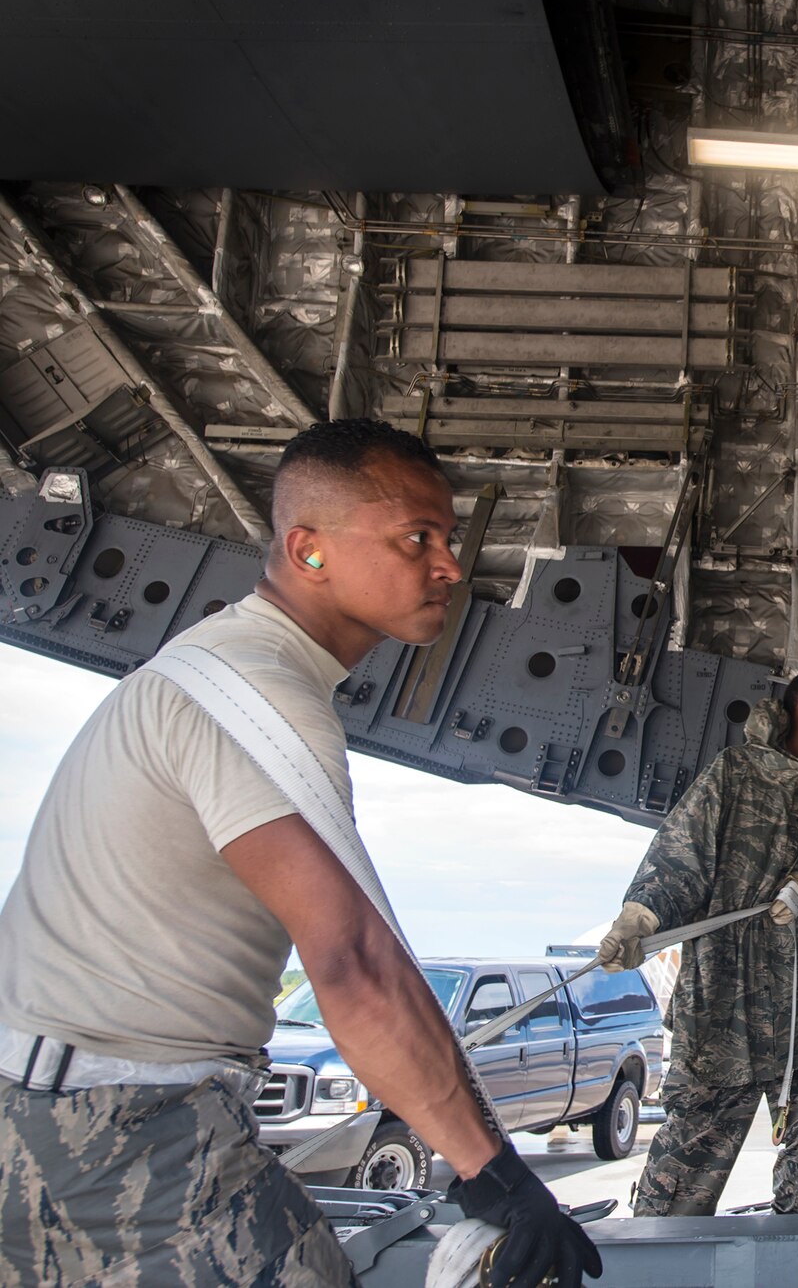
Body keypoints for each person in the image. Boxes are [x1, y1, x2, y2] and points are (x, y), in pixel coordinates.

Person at [0, 420, 600, 1288]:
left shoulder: (224, 666)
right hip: (118, 1122)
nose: (450, 565)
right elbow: (353, 963)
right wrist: (494, 1173)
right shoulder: (263, 696)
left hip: (56, 1101)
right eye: (416, 538)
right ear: (309, 550)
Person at [597, 669, 798, 1216]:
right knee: (694, 1144)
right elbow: (682, 855)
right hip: (726, 984)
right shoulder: (735, 773)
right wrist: (640, 920)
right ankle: (656, 1264)